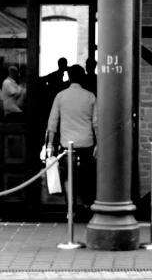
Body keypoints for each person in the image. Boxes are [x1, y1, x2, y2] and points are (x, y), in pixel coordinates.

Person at [47, 64, 98, 213]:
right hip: (86, 142)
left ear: (68, 78)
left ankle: (71, 208)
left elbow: (52, 122)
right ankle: (88, 204)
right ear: (82, 77)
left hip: (67, 144)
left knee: (68, 177)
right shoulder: (90, 96)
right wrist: (98, 143)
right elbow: (96, 123)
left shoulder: (61, 96)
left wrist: (50, 144)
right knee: (87, 176)